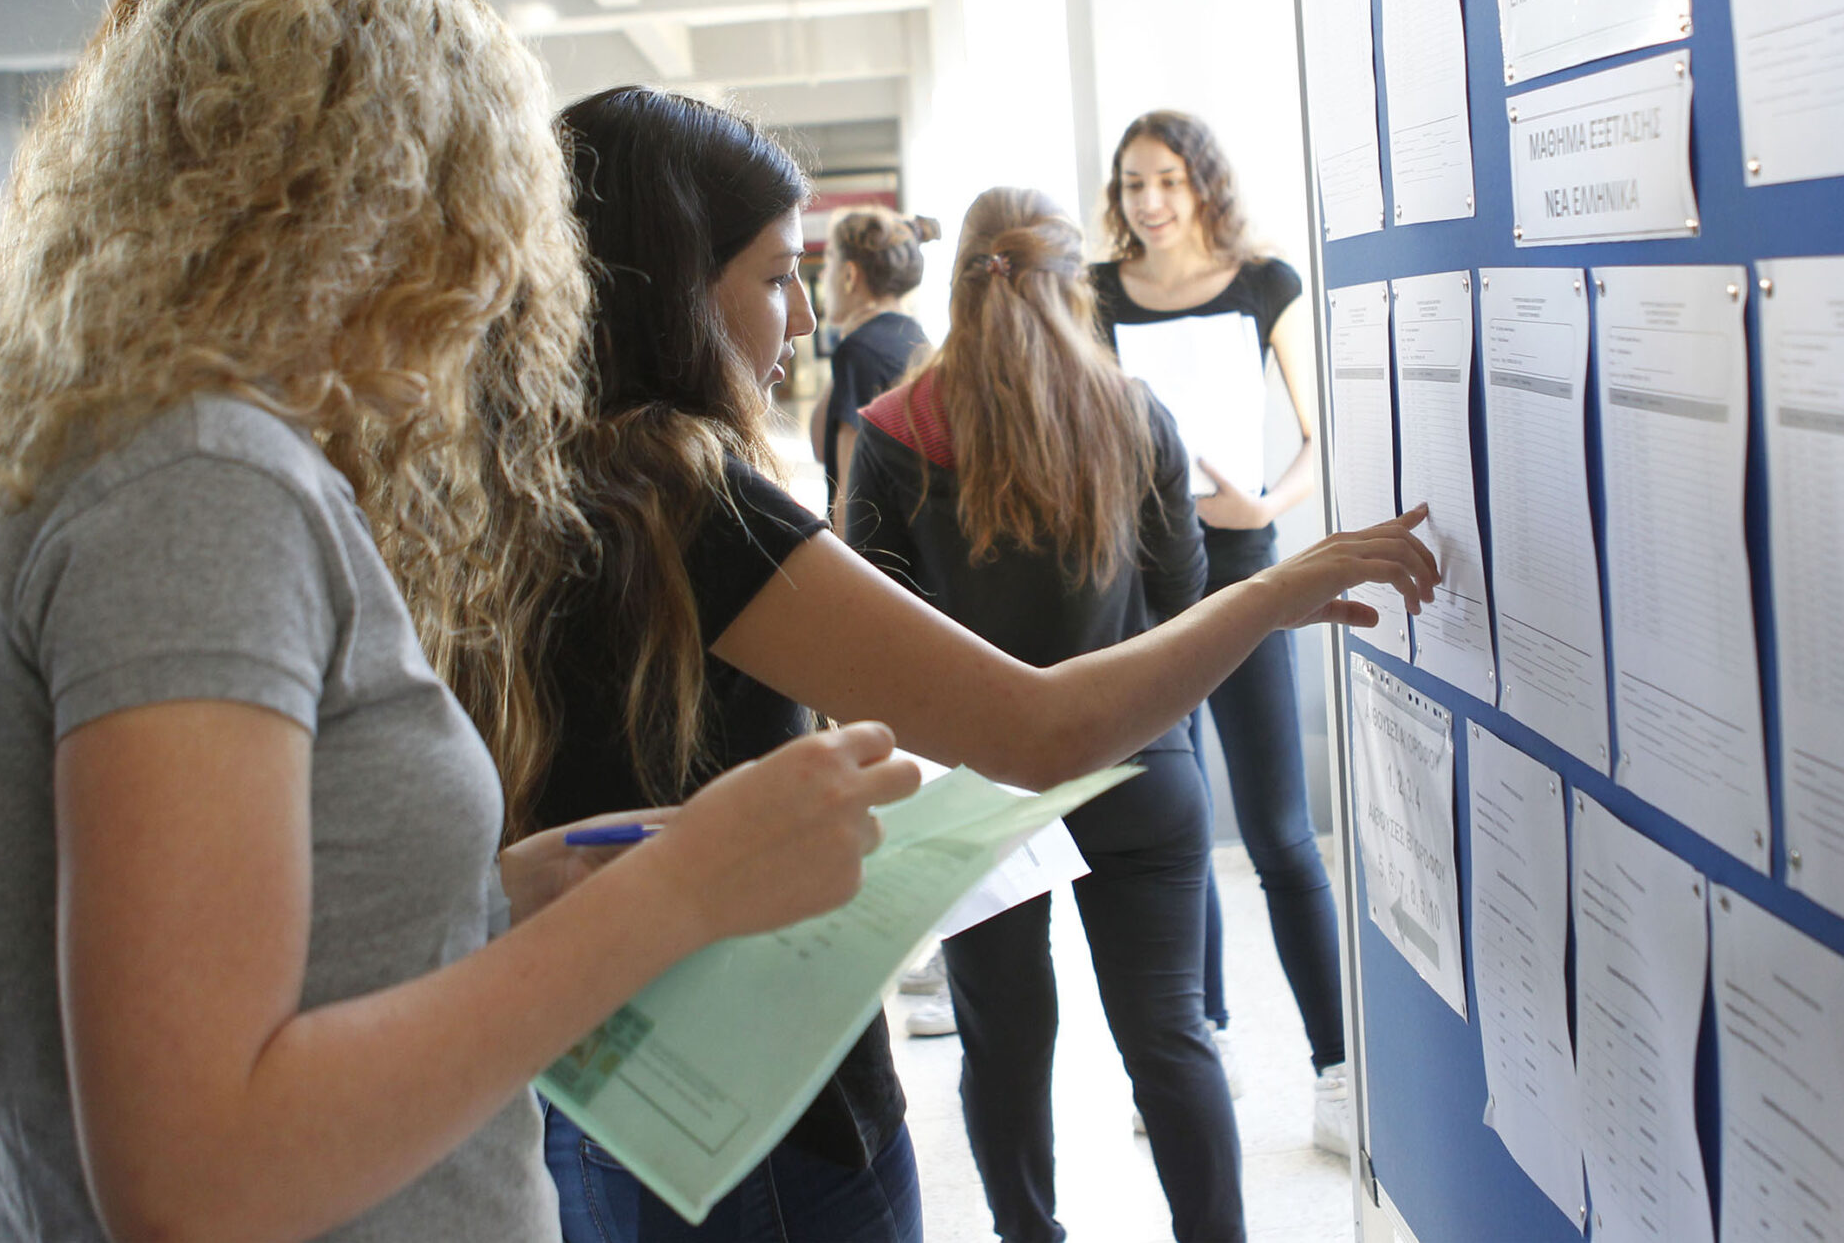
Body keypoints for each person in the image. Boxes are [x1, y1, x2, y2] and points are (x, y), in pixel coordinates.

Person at [0, 0, 917, 1243]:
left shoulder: (108, 444)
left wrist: (495, 900)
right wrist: (685, 889)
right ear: (404, 196)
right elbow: (194, 1171)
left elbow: (214, 956)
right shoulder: (202, 481)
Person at [525, 86, 1441, 1243]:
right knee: (1169, 1034)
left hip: (630, 1078)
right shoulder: (688, 500)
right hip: (750, 1098)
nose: (805, 316)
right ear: (668, 287)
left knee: (1009, 1039)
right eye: (771, 276)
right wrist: (1263, 593)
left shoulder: (556, 478)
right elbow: (1045, 714)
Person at [847, 186, 1243, 1242]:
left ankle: (1032, 1234)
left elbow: (870, 633)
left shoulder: (891, 433)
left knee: (1004, 1041)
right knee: (1170, 1037)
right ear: (1078, 285)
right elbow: (1183, 603)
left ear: (961, 277)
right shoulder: (1135, 412)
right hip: (1138, 766)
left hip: (976, 786)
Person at [1089, 108, 1351, 1151]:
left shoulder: (1263, 283)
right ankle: (1205, 1040)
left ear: (1201, 184)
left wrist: (1266, 504)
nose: (1147, 202)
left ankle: (1336, 1069)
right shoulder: (1095, 294)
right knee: (1175, 823)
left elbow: (1322, 428)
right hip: (1142, 583)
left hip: (1243, 570)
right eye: (1130, 184)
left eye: (1164, 181)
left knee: (1281, 830)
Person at [809, 206, 936, 535]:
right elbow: (822, 447)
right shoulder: (915, 339)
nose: (824, 277)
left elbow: (849, 499)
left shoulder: (860, 353)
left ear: (850, 275)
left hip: (877, 559)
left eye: (829, 261)